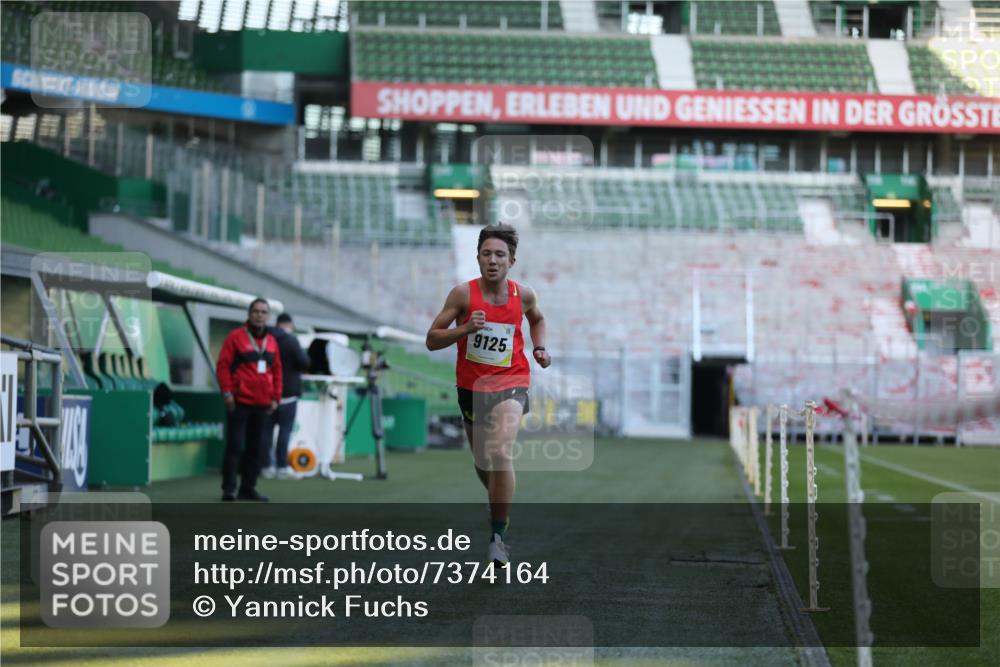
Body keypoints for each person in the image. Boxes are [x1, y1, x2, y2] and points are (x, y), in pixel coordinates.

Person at [425, 223, 550, 567]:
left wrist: (539, 348)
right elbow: (432, 339)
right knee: (484, 463)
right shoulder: (462, 295)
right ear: (477, 257)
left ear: (512, 260)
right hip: (471, 386)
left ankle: (498, 537)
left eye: (500, 255)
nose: (492, 260)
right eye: (486, 254)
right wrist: (465, 328)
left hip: (512, 379)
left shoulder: (523, 295)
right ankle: (497, 502)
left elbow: (537, 319)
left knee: (500, 450)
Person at [216, 298, 282, 501]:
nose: (260, 315)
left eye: (263, 312)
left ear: (268, 316)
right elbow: (223, 366)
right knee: (235, 446)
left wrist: (276, 398)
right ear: (249, 314)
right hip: (239, 402)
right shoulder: (235, 337)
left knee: (256, 448)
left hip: (262, 404)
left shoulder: (272, 341)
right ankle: (229, 489)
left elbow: (277, 371)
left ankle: (248, 488)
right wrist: (227, 393)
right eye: (256, 311)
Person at [261, 312, 310, 479]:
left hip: (266, 393)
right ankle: (282, 466)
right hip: (287, 394)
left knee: (265, 432)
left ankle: (266, 466)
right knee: (284, 431)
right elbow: (304, 363)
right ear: (289, 324)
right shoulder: (291, 341)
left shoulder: (265, 339)